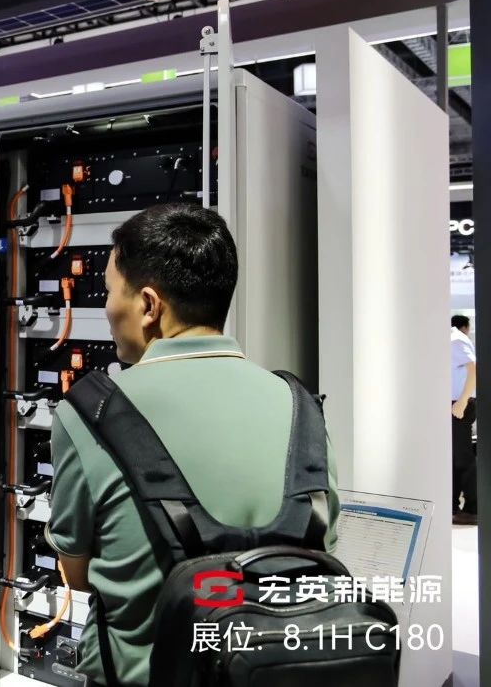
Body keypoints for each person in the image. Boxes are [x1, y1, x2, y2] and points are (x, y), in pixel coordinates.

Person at [47, 204, 340, 687]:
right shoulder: (302, 407)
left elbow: (76, 574)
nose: (107, 308)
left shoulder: (86, 415)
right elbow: (320, 551)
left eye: (109, 291)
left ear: (148, 305)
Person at [452, 314, 477, 525]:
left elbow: (473, 368)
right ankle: (453, 507)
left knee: (462, 458)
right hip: (455, 403)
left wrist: (462, 401)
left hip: (459, 404)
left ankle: (473, 508)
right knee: (453, 458)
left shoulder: (455, 339)